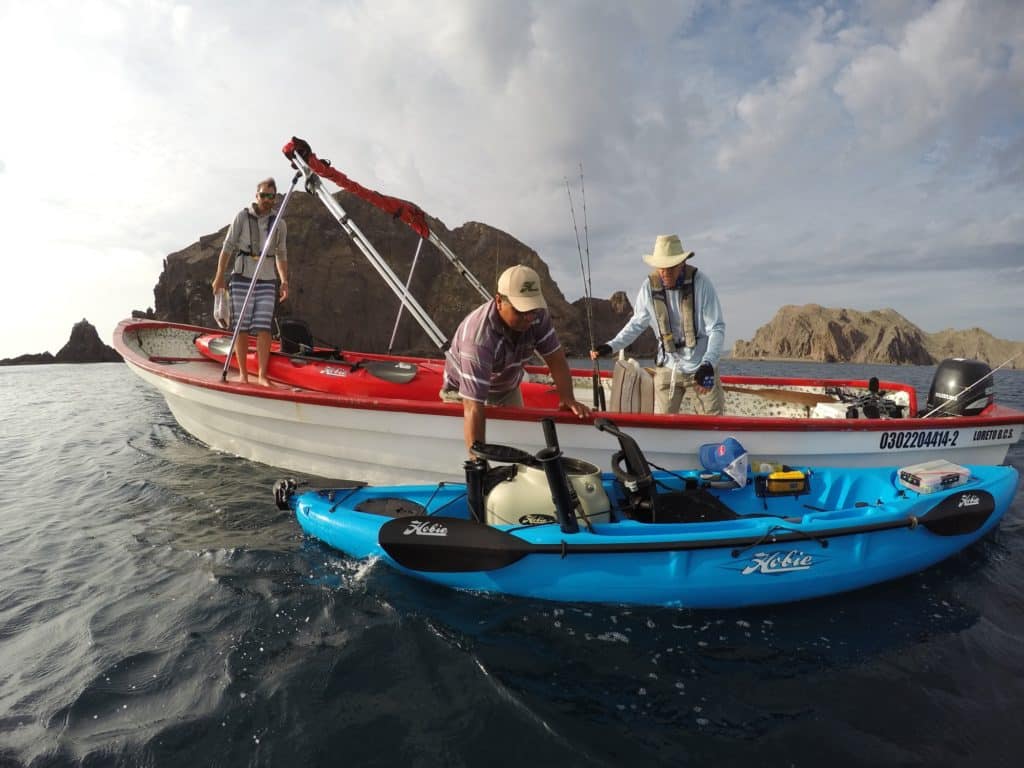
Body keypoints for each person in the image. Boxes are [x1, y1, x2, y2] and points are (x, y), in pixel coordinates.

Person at [442, 264, 592, 454]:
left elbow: (555, 358)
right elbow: (473, 406)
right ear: (499, 301)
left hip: (505, 388)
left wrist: (567, 397)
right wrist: (479, 464)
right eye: (520, 311)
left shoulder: (537, 317)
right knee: (476, 456)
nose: (528, 317)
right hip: (463, 393)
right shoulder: (478, 338)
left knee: (517, 447)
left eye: (532, 309)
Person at [591, 234, 726, 415]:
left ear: (682, 263)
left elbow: (716, 328)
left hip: (701, 366)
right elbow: (637, 323)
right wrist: (611, 346)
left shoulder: (702, 284)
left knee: (713, 424)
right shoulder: (649, 287)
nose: (665, 273)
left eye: (670, 267)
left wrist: (709, 364)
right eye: (661, 268)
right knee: (663, 427)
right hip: (667, 367)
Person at [212, 177, 289, 386]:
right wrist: (219, 276)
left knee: (264, 327)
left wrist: (284, 281)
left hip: (267, 278)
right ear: (257, 196)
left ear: (275, 199)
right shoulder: (242, 217)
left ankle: (263, 376)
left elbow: (281, 254)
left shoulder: (279, 224)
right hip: (242, 276)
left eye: (271, 196)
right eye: (263, 195)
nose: (267, 199)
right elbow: (227, 247)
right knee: (241, 326)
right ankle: (244, 374)